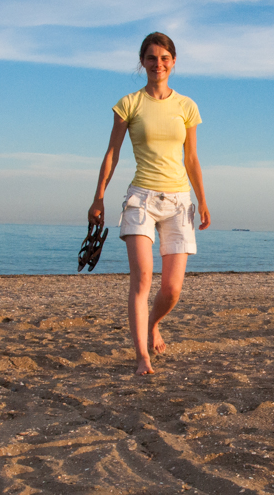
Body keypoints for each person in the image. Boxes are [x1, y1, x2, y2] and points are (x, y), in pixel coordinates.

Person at [88, 32, 210, 375]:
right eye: (152, 57)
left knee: (172, 288)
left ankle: (153, 323)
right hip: (141, 198)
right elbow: (112, 153)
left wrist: (202, 200)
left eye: (165, 58)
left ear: (173, 62)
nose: (159, 64)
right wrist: (98, 196)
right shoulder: (129, 104)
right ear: (142, 62)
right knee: (142, 278)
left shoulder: (187, 106)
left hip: (179, 201)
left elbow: (192, 158)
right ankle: (142, 356)